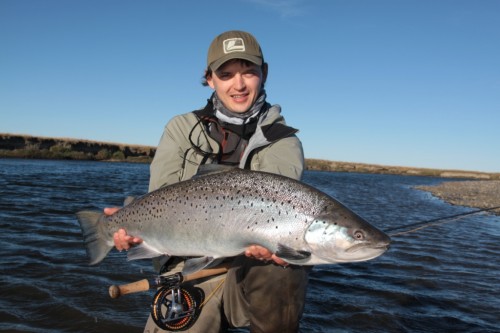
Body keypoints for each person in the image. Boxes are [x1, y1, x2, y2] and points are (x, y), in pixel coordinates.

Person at [108, 30, 309, 333]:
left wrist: (279, 250)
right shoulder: (180, 128)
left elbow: (280, 213)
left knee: (284, 268)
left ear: (264, 74)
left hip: (251, 269)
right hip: (188, 268)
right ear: (210, 78)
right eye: (226, 74)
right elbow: (160, 199)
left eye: (248, 72)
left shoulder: (283, 141)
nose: (238, 84)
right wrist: (129, 227)